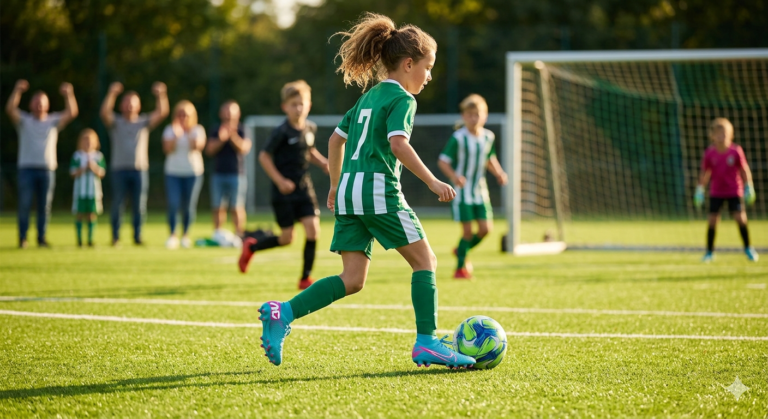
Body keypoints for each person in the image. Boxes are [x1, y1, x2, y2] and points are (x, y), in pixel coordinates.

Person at [244, 13, 476, 369]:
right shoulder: (403, 100)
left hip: (350, 194)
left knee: (352, 280)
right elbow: (398, 144)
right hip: (376, 191)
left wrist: (336, 184)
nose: (429, 76)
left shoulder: (368, 98)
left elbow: (336, 141)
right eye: (427, 67)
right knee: (425, 261)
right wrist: (432, 181)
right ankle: (427, 342)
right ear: (408, 63)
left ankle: (283, 311)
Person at [238, 80, 328, 291]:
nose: (298, 108)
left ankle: (305, 278)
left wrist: (323, 162)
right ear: (284, 107)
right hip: (283, 192)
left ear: (309, 105)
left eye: (302, 103)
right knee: (287, 238)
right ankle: (252, 247)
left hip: (304, 188)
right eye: (293, 104)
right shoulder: (281, 132)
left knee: (313, 230)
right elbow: (264, 157)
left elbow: (309, 150)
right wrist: (280, 181)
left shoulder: (310, 128)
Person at [438, 94, 508, 279]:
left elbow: (489, 158)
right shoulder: (458, 138)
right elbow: (443, 161)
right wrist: (454, 177)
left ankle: (461, 250)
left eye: (477, 114)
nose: (473, 118)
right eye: (469, 114)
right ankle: (460, 269)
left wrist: (499, 173)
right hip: (462, 193)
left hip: (480, 191)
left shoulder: (488, 137)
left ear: (484, 116)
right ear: (463, 116)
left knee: (486, 229)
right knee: (468, 231)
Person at [6, 79, 78, 248]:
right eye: (36, 102)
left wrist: (69, 94)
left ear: (47, 105)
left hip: (47, 169)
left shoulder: (53, 121)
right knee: (24, 204)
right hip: (26, 168)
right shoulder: (24, 120)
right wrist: (17, 91)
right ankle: (23, 238)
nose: (39, 105)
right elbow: (10, 110)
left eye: (42, 103)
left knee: (44, 206)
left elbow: (72, 112)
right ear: (31, 104)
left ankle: (41, 238)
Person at [100, 81, 169, 246]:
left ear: (138, 106)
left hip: (139, 169)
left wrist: (161, 95)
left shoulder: (143, 122)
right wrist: (112, 94)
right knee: (117, 204)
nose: (130, 106)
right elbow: (104, 113)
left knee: (139, 206)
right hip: (119, 169)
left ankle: (137, 236)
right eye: (126, 102)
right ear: (121, 105)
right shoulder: (116, 122)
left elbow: (162, 112)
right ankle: (115, 236)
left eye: (133, 103)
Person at [694, 118, 758, 262]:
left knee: (740, 219)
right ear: (712, 136)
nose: (721, 137)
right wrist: (700, 189)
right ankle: (709, 252)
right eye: (717, 134)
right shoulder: (710, 153)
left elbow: (744, 169)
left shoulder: (736, 151)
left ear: (730, 135)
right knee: (712, 220)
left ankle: (748, 248)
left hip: (734, 191)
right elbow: (705, 173)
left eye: (724, 134)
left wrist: (749, 186)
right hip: (716, 192)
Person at [162, 100, 205, 249]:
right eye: (180, 114)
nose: (183, 118)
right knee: (173, 204)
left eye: (186, 115)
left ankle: (185, 235)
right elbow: (168, 149)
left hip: (193, 173)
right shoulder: (170, 130)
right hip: (173, 173)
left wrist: (187, 133)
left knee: (189, 206)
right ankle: (172, 235)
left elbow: (197, 147)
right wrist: (177, 134)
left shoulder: (198, 130)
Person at [205, 101, 252, 237]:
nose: (228, 115)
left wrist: (232, 136)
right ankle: (218, 234)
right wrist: (221, 139)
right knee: (217, 206)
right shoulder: (216, 129)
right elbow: (209, 150)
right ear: (221, 113)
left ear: (238, 114)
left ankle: (239, 235)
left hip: (237, 174)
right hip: (218, 174)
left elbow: (244, 148)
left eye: (231, 111)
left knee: (237, 207)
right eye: (225, 111)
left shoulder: (243, 129)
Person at [69, 129, 106, 247]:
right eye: (85, 141)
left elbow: (102, 173)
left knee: (92, 214)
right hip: (80, 191)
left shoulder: (98, 156)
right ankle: (79, 240)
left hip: (93, 192)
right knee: (79, 214)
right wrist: (83, 169)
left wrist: (93, 167)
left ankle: (90, 239)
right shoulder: (77, 156)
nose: (88, 143)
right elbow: (72, 173)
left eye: (90, 141)